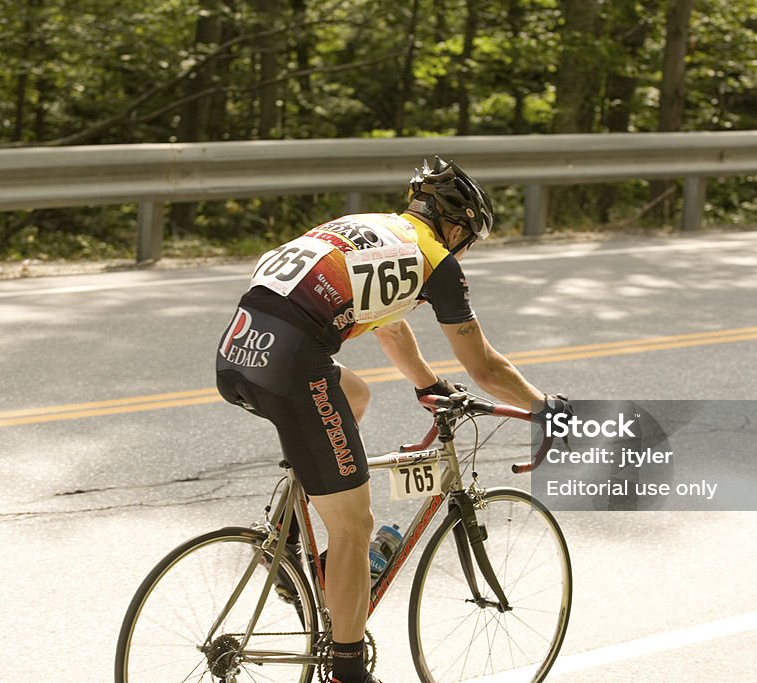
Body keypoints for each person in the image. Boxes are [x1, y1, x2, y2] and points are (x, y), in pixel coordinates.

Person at [215, 156, 568, 683]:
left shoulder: (375, 231)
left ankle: (290, 539)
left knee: (354, 395)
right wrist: (547, 409)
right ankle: (348, 672)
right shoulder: (436, 260)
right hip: (291, 366)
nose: (462, 250)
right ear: (455, 225)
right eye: (466, 240)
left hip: (238, 353)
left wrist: (427, 383)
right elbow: (486, 368)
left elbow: (387, 325)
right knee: (355, 525)